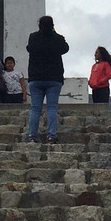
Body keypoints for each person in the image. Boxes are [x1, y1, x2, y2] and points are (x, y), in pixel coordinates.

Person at [26, 15, 69, 143]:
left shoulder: (33, 37)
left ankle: (32, 136)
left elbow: (29, 48)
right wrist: (54, 32)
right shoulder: (58, 39)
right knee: (52, 107)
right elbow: (65, 48)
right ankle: (51, 135)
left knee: (35, 108)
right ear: (53, 25)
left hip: (36, 77)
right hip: (54, 78)